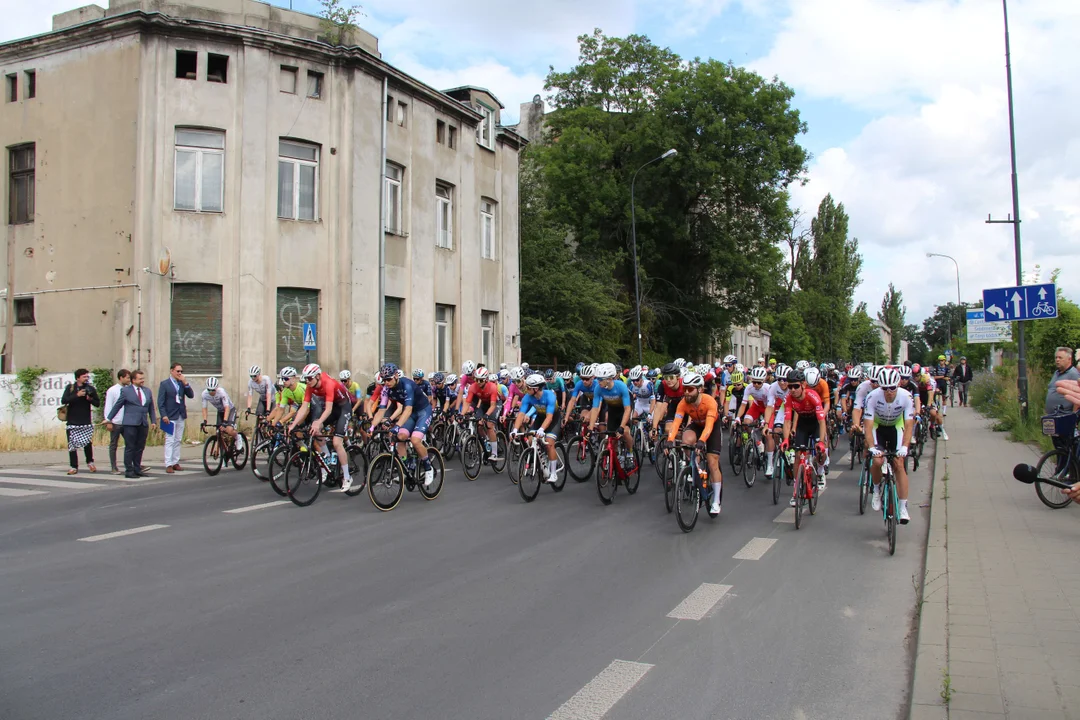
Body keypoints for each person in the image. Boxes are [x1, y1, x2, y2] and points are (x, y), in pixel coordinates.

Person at [106, 369, 156, 479]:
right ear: (133, 380)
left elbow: (151, 407)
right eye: (140, 379)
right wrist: (109, 418)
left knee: (140, 447)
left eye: (143, 378)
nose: (142, 380)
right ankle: (129, 470)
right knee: (130, 447)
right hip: (130, 423)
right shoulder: (126, 391)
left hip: (143, 423)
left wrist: (153, 421)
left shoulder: (147, 391)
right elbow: (117, 405)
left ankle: (137, 468)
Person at [61, 368, 100, 475]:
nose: (86, 378)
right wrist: (76, 395)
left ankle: (90, 462)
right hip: (72, 421)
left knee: (87, 443)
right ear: (78, 378)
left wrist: (89, 399)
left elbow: (97, 403)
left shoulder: (90, 388)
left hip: (85, 420)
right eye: (84, 376)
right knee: (72, 445)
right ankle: (74, 466)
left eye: (87, 376)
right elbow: (64, 400)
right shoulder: (70, 388)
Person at [158, 362, 194, 473]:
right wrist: (163, 415)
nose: (180, 373)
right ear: (172, 371)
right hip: (170, 415)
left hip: (180, 414)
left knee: (178, 440)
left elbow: (191, 395)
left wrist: (185, 383)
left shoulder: (181, 383)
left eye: (181, 371)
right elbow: (161, 401)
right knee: (170, 439)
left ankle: (175, 461)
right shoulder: (165, 384)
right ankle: (168, 463)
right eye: (178, 371)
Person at [103, 369, 131, 474]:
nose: (129, 380)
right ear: (121, 378)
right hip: (115, 422)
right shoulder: (113, 390)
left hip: (127, 422)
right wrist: (108, 421)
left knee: (130, 444)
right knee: (113, 445)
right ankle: (113, 466)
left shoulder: (129, 389)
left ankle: (131, 464)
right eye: (127, 377)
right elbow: (108, 406)